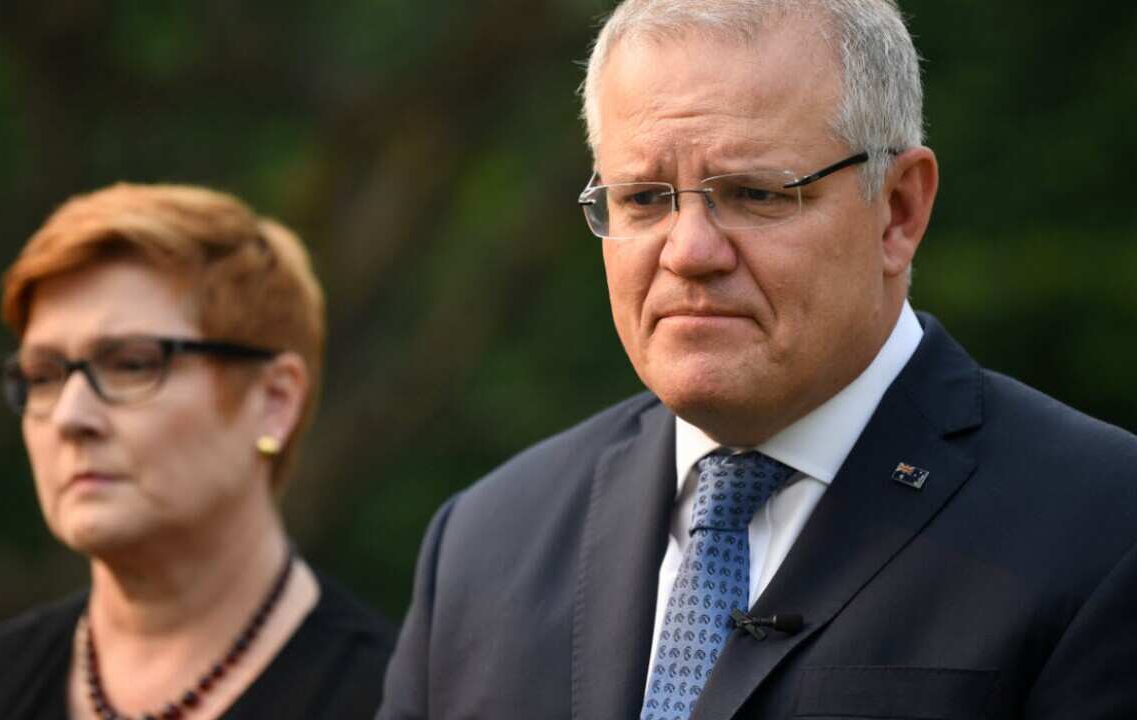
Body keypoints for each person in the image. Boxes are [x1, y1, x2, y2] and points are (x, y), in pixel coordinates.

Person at [377, 1, 1137, 718]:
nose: (690, 252)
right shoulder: (486, 543)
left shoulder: (1102, 526)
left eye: (753, 193)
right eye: (643, 199)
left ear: (898, 211)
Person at [0, 183, 395, 720]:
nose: (71, 417)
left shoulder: (404, 702)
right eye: (43, 376)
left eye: (132, 364)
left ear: (273, 402)